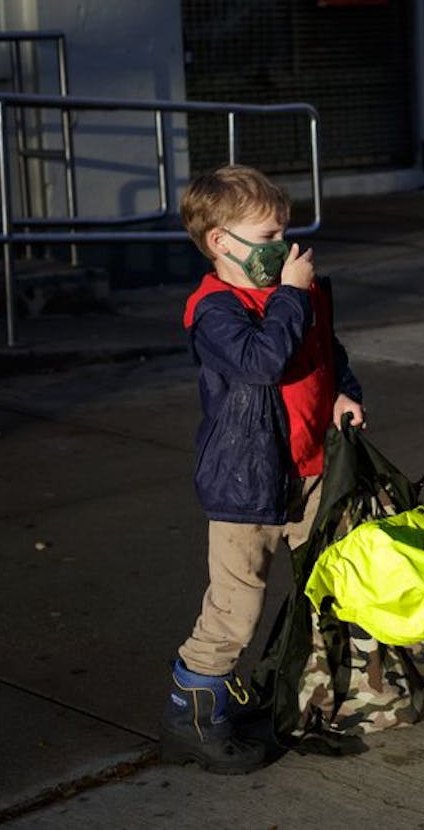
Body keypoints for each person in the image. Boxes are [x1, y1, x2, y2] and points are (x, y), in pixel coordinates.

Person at [161, 164, 365, 773]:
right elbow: (261, 362)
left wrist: (343, 392)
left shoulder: (298, 294)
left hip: (310, 468)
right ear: (221, 242)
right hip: (246, 483)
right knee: (235, 608)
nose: (283, 244)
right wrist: (293, 295)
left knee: (327, 586)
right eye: (269, 234)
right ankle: (190, 716)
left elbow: (326, 351)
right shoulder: (214, 308)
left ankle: (297, 690)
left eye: (286, 230)